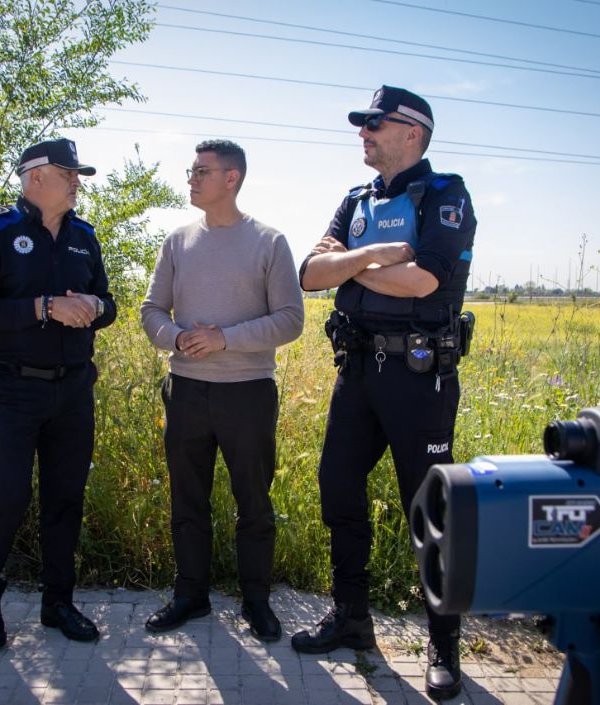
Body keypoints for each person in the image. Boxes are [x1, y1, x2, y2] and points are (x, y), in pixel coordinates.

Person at [289, 86, 476, 700]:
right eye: (363, 124)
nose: (363, 133)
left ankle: (443, 645)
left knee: (428, 508)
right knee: (337, 485)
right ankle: (352, 620)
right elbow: (311, 274)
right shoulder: (357, 199)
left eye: (376, 124)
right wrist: (372, 257)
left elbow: (424, 279)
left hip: (419, 377)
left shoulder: (445, 194)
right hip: (358, 371)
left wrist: (350, 265)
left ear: (412, 133)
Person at [140, 140, 304, 642]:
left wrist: (224, 339)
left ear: (231, 178)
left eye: (201, 171)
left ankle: (256, 601)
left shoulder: (269, 242)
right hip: (185, 390)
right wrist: (177, 339)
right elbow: (151, 310)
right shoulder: (177, 241)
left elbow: (291, 320)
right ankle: (190, 596)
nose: (191, 178)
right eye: (191, 170)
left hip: (247, 394)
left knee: (253, 502)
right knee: (188, 499)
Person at [0, 137, 117, 649]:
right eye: (69, 173)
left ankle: (58, 603)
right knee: (5, 497)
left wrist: (96, 305)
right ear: (36, 176)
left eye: (77, 174)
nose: (77, 182)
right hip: (14, 389)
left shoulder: (83, 237)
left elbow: (108, 303)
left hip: (73, 390)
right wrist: (43, 307)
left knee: (65, 499)